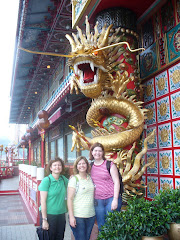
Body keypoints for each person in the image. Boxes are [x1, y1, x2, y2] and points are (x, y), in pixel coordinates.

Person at [90, 142, 122, 230]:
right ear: (92, 152)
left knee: (111, 224)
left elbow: (116, 182)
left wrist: (115, 199)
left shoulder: (109, 164)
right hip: (97, 200)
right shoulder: (90, 166)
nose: (97, 153)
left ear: (103, 153)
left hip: (111, 198)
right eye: (95, 151)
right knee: (101, 225)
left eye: (100, 151)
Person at [38, 157, 68, 240]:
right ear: (50, 168)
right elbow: (43, 201)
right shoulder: (46, 180)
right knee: (49, 238)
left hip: (61, 214)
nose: (57, 167)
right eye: (54, 165)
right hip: (49, 215)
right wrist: (44, 220)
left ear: (62, 167)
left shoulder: (63, 179)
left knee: (60, 237)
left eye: (59, 165)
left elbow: (73, 186)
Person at [67, 156, 95, 240]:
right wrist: (71, 217)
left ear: (87, 165)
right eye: (79, 164)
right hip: (78, 216)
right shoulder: (74, 179)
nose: (82, 165)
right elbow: (69, 199)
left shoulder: (91, 178)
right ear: (76, 166)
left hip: (91, 215)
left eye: (84, 163)